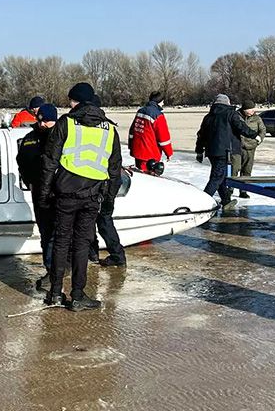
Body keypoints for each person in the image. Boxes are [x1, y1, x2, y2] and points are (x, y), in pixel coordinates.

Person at [38, 82, 122, 311]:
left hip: (65, 194)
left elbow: (49, 162)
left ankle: (55, 293)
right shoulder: (110, 129)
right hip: (93, 195)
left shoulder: (66, 123)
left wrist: (44, 194)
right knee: (82, 245)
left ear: (76, 101)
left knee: (61, 241)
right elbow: (115, 170)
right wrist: (109, 201)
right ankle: (77, 296)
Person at [16, 102, 59, 289]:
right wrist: (31, 184)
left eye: (47, 122)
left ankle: (63, 267)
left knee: (62, 233)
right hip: (40, 192)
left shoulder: (61, 138)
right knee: (47, 233)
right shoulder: (29, 139)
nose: (42, 125)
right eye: (40, 121)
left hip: (60, 192)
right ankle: (51, 270)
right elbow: (22, 164)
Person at [195, 94, 258, 213]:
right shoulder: (230, 114)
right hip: (224, 151)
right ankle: (202, 204)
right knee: (216, 177)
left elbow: (201, 135)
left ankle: (226, 200)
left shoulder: (208, 117)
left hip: (211, 152)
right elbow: (241, 127)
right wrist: (254, 134)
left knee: (221, 177)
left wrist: (199, 151)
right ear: (227, 103)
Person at [128, 91, 174, 175]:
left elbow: (132, 131)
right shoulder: (158, 115)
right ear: (159, 102)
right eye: (163, 101)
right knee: (147, 177)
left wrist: (131, 145)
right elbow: (163, 138)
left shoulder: (140, 111)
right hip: (150, 154)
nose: (163, 103)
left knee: (139, 174)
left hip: (137, 151)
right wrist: (169, 153)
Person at [232, 99, 266, 198]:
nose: (253, 111)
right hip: (237, 148)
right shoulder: (236, 117)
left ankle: (243, 191)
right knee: (235, 169)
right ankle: (229, 191)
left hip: (251, 148)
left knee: (247, 170)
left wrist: (258, 140)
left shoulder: (257, 119)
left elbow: (262, 130)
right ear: (245, 109)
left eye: (253, 108)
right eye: (250, 109)